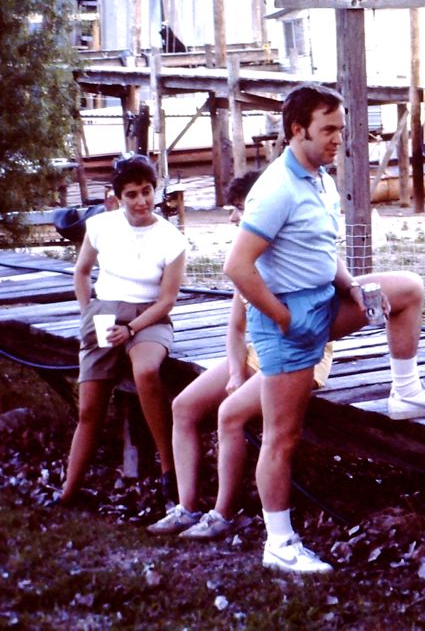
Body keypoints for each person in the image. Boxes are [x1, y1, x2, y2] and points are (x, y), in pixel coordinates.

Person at [224, 84, 425, 574]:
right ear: (297, 131)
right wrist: (282, 318)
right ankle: (279, 544)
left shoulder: (319, 178)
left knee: (404, 289)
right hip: (288, 320)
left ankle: (405, 391)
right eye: (328, 130)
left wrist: (354, 286)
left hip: (326, 300)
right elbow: (238, 267)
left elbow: (323, 250)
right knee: (283, 436)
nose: (339, 138)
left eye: (341, 129)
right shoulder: (275, 189)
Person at [147, 172, 334, 539]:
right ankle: (186, 507)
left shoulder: (291, 255)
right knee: (183, 406)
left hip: (300, 357)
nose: (234, 218)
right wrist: (235, 373)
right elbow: (235, 327)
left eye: (239, 209)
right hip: (258, 352)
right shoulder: (248, 258)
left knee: (229, 415)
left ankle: (223, 514)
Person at [58, 154, 187, 506]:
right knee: (90, 408)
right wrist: (90, 313)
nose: (141, 201)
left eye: (147, 191)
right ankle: (69, 491)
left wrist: (131, 329)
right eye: (132, 194)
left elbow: (168, 301)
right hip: (105, 313)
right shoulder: (101, 226)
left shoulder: (171, 238)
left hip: (148, 318)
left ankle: (169, 470)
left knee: (145, 371)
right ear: (117, 198)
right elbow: (82, 272)